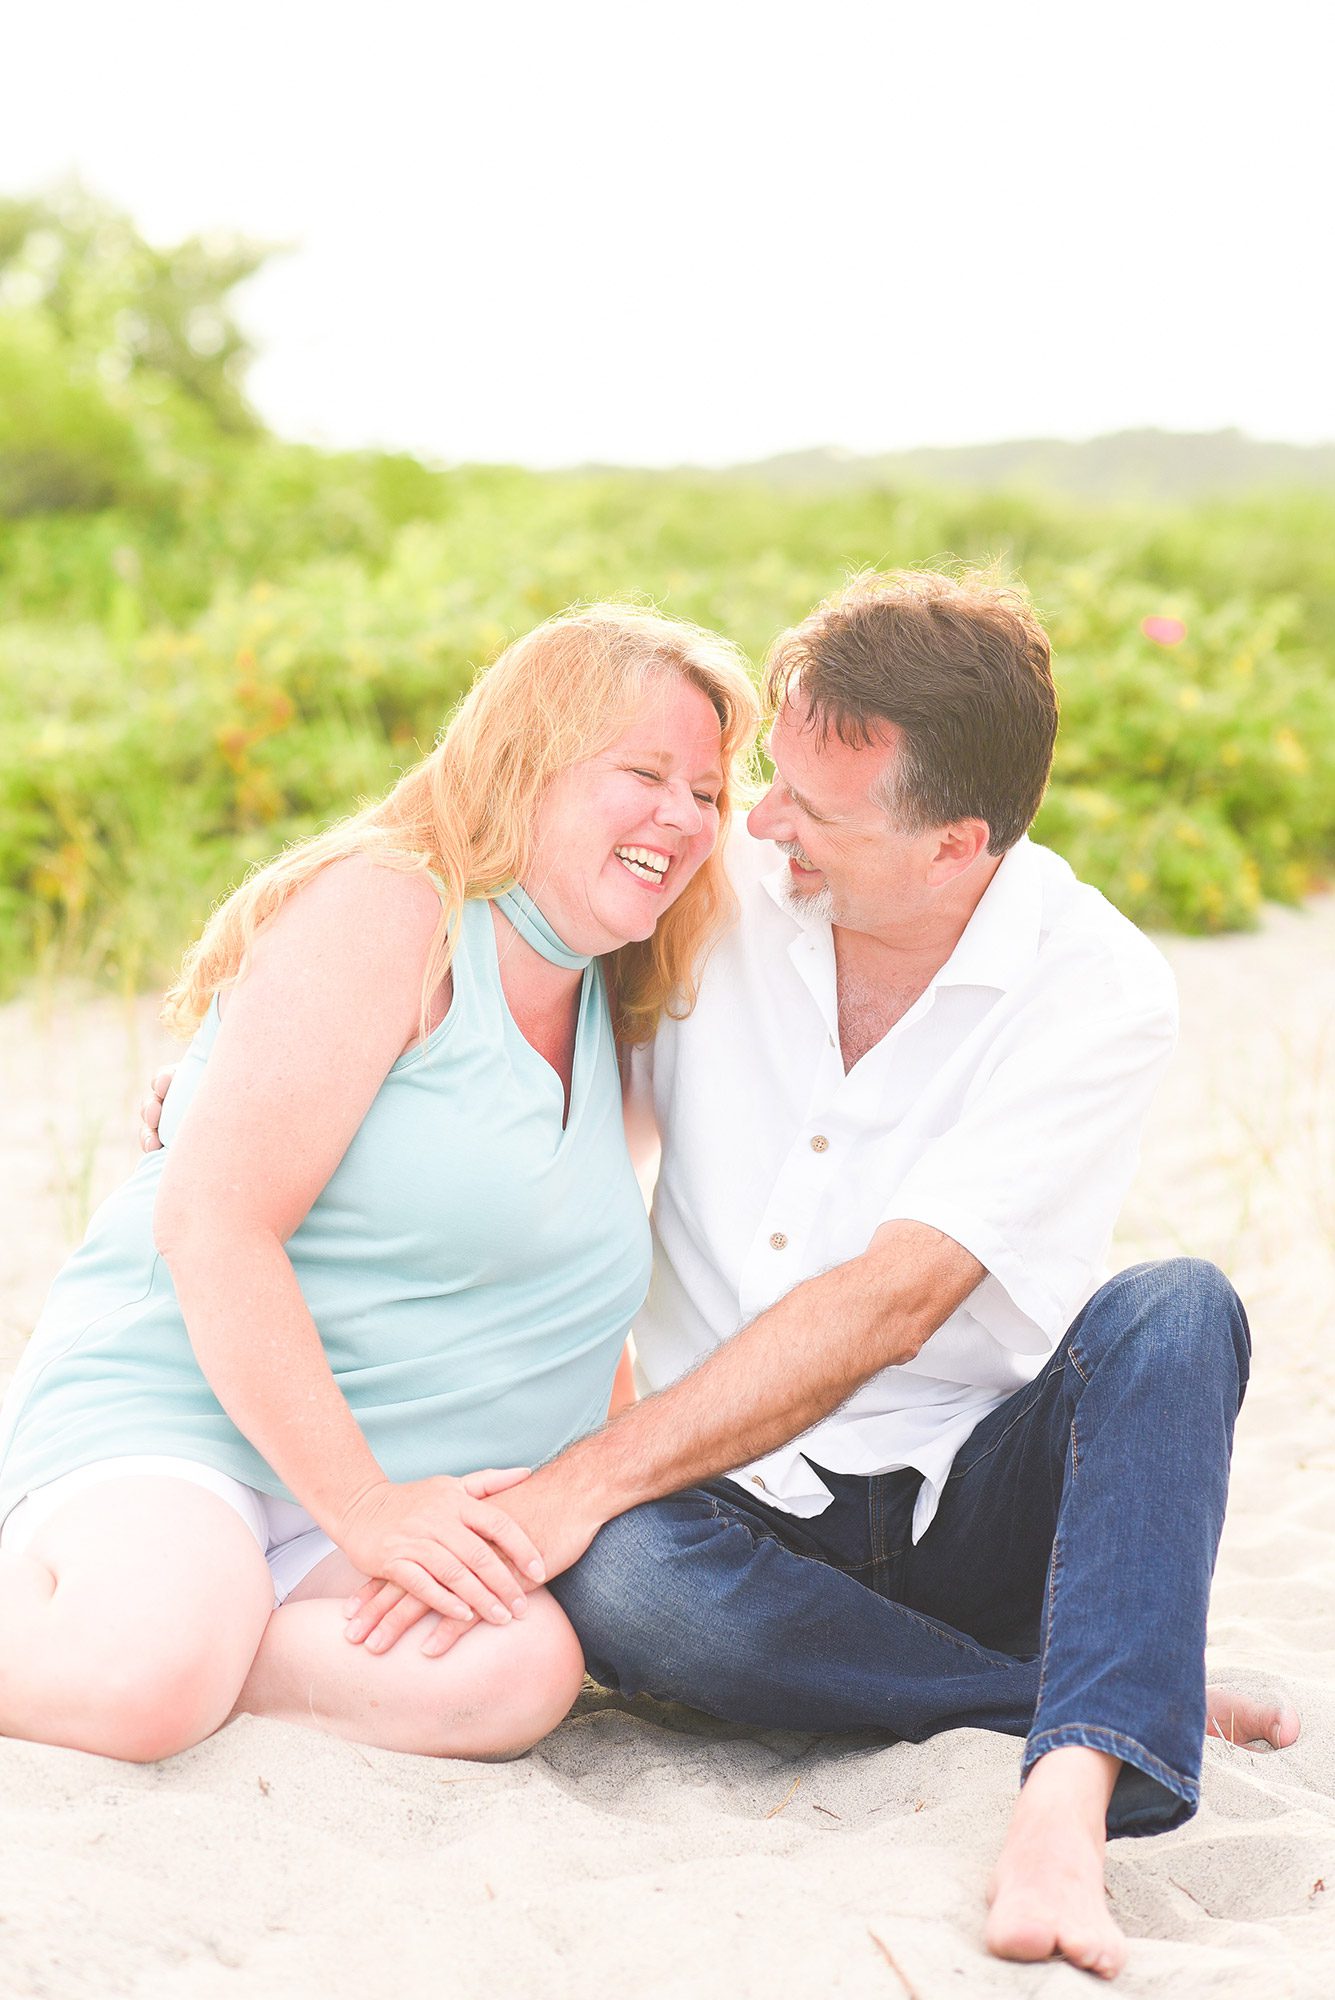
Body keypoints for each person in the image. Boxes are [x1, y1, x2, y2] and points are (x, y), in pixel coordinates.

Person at [341, 569, 1298, 1979]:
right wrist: (268, 1057)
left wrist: (581, 1475)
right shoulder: (713, 889)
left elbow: (895, 1303)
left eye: (812, 812)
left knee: (1177, 1310)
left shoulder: (1090, 983)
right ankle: (1096, 1694)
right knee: (624, 1583)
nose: (755, 822)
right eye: (763, 779)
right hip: (725, 1517)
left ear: (952, 846)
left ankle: (1071, 1793)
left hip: (961, 1499)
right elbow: (468, 911)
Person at [0, 603, 760, 1765]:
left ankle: (202, 1622)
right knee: (139, 1681)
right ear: (528, 764)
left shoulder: (629, 1001)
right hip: (197, 1419)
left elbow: (568, 1296)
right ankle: (155, 1619)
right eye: (644, 772)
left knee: (518, 1669)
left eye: (706, 791)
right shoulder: (396, 910)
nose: (684, 815)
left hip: (399, 1480)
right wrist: (363, 1505)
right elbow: (213, 1220)